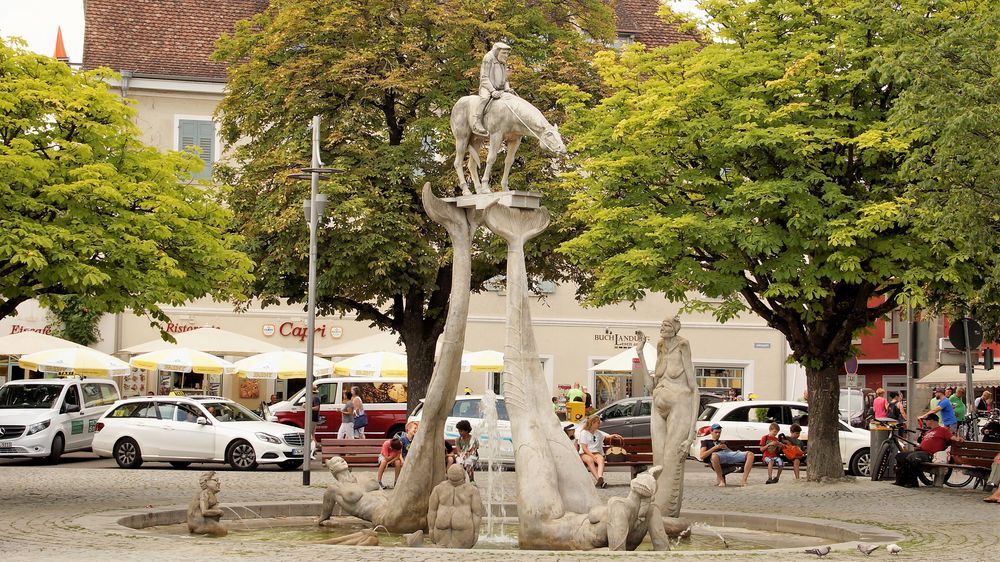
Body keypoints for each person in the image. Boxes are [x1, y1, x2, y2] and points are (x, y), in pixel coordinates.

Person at [894, 413, 959, 488]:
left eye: (927, 420)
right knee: (900, 456)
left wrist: (958, 439)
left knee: (912, 458)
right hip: (920, 451)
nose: (925, 422)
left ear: (932, 421)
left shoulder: (943, 430)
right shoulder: (928, 432)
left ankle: (912, 482)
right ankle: (900, 481)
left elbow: (952, 437)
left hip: (930, 454)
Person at [472, 42, 513, 136]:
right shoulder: (488, 59)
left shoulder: (503, 61)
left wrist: (507, 88)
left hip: (500, 89)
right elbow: (484, 77)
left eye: (507, 53)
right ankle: (477, 121)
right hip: (487, 87)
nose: (506, 55)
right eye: (504, 53)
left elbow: (505, 79)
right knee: (484, 98)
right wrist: (492, 91)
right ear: (497, 51)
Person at [699, 423, 753, 487]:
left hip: (727, 454)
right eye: (716, 432)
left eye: (719, 433)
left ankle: (744, 481)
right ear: (711, 432)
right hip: (717, 456)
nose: (718, 434)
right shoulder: (706, 442)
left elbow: (731, 453)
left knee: (750, 454)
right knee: (714, 456)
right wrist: (715, 448)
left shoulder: (722, 442)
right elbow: (702, 456)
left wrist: (726, 448)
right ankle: (721, 480)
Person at [577, 415, 621, 488]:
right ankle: (599, 480)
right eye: (598, 423)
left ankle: (600, 477)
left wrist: (613, 436)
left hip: (596, 453)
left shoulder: (598, 433)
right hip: (585, 453)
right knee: (590, 460)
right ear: (592, 423)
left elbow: (606, 436)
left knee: (601, 459)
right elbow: (584, 448)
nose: (599, 424)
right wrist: (592, 456)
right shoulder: (584, 433)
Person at [310, 384, 322, 458]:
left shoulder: (315, 398)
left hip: (313, 418)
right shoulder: (313, 397)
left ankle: (316, 447)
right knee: (312, 435)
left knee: (310, 435)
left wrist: (308, 407)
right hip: (313, 417)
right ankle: (315, 448)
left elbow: (317, 408)